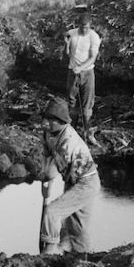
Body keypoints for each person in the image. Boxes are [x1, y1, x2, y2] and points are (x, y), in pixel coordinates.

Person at [36, 98, 101, 255]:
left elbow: (52, 172)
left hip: (86, 183)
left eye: (51, 120)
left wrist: (44, 175)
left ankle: (50, 250)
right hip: (73, 180)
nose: (46, 123)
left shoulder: (68, 141)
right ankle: (80, 256)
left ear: (62, 121)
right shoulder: (48, 133)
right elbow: (46, 154)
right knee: (75, 225)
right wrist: (46, 178)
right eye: (45, 118)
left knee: (52, 212)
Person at [63, 12, 101, 144]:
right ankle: (70, 133)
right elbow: (66, 35)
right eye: (81, 27)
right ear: (78, 25)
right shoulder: (73, 33)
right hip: (72, 73)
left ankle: (87, 132)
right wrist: (66, 43)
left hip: (87, 74)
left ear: (90, 26)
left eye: (86, 27)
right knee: (71, 103)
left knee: (86, 107)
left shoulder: (94, 37)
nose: (84, 29)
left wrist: (81, 67)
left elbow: (92, 58)